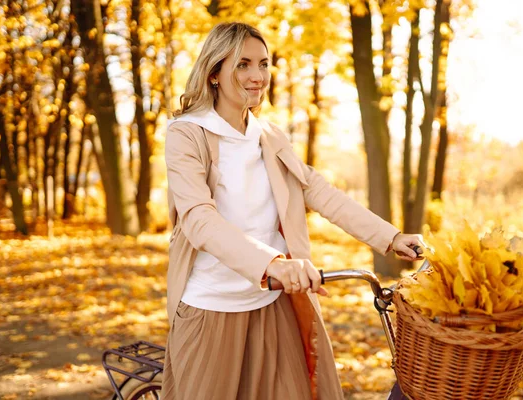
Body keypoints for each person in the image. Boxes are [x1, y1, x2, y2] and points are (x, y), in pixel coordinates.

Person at [162, 22, 423, 400]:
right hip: (212, 307)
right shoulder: (187, 133)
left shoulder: (268, 136)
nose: (257, 76)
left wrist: (391, 237)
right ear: (214, 72)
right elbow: (200, 220)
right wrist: (273, 264)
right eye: (243, 65)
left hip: (272, 303)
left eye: (264, 64)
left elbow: (317, 191)